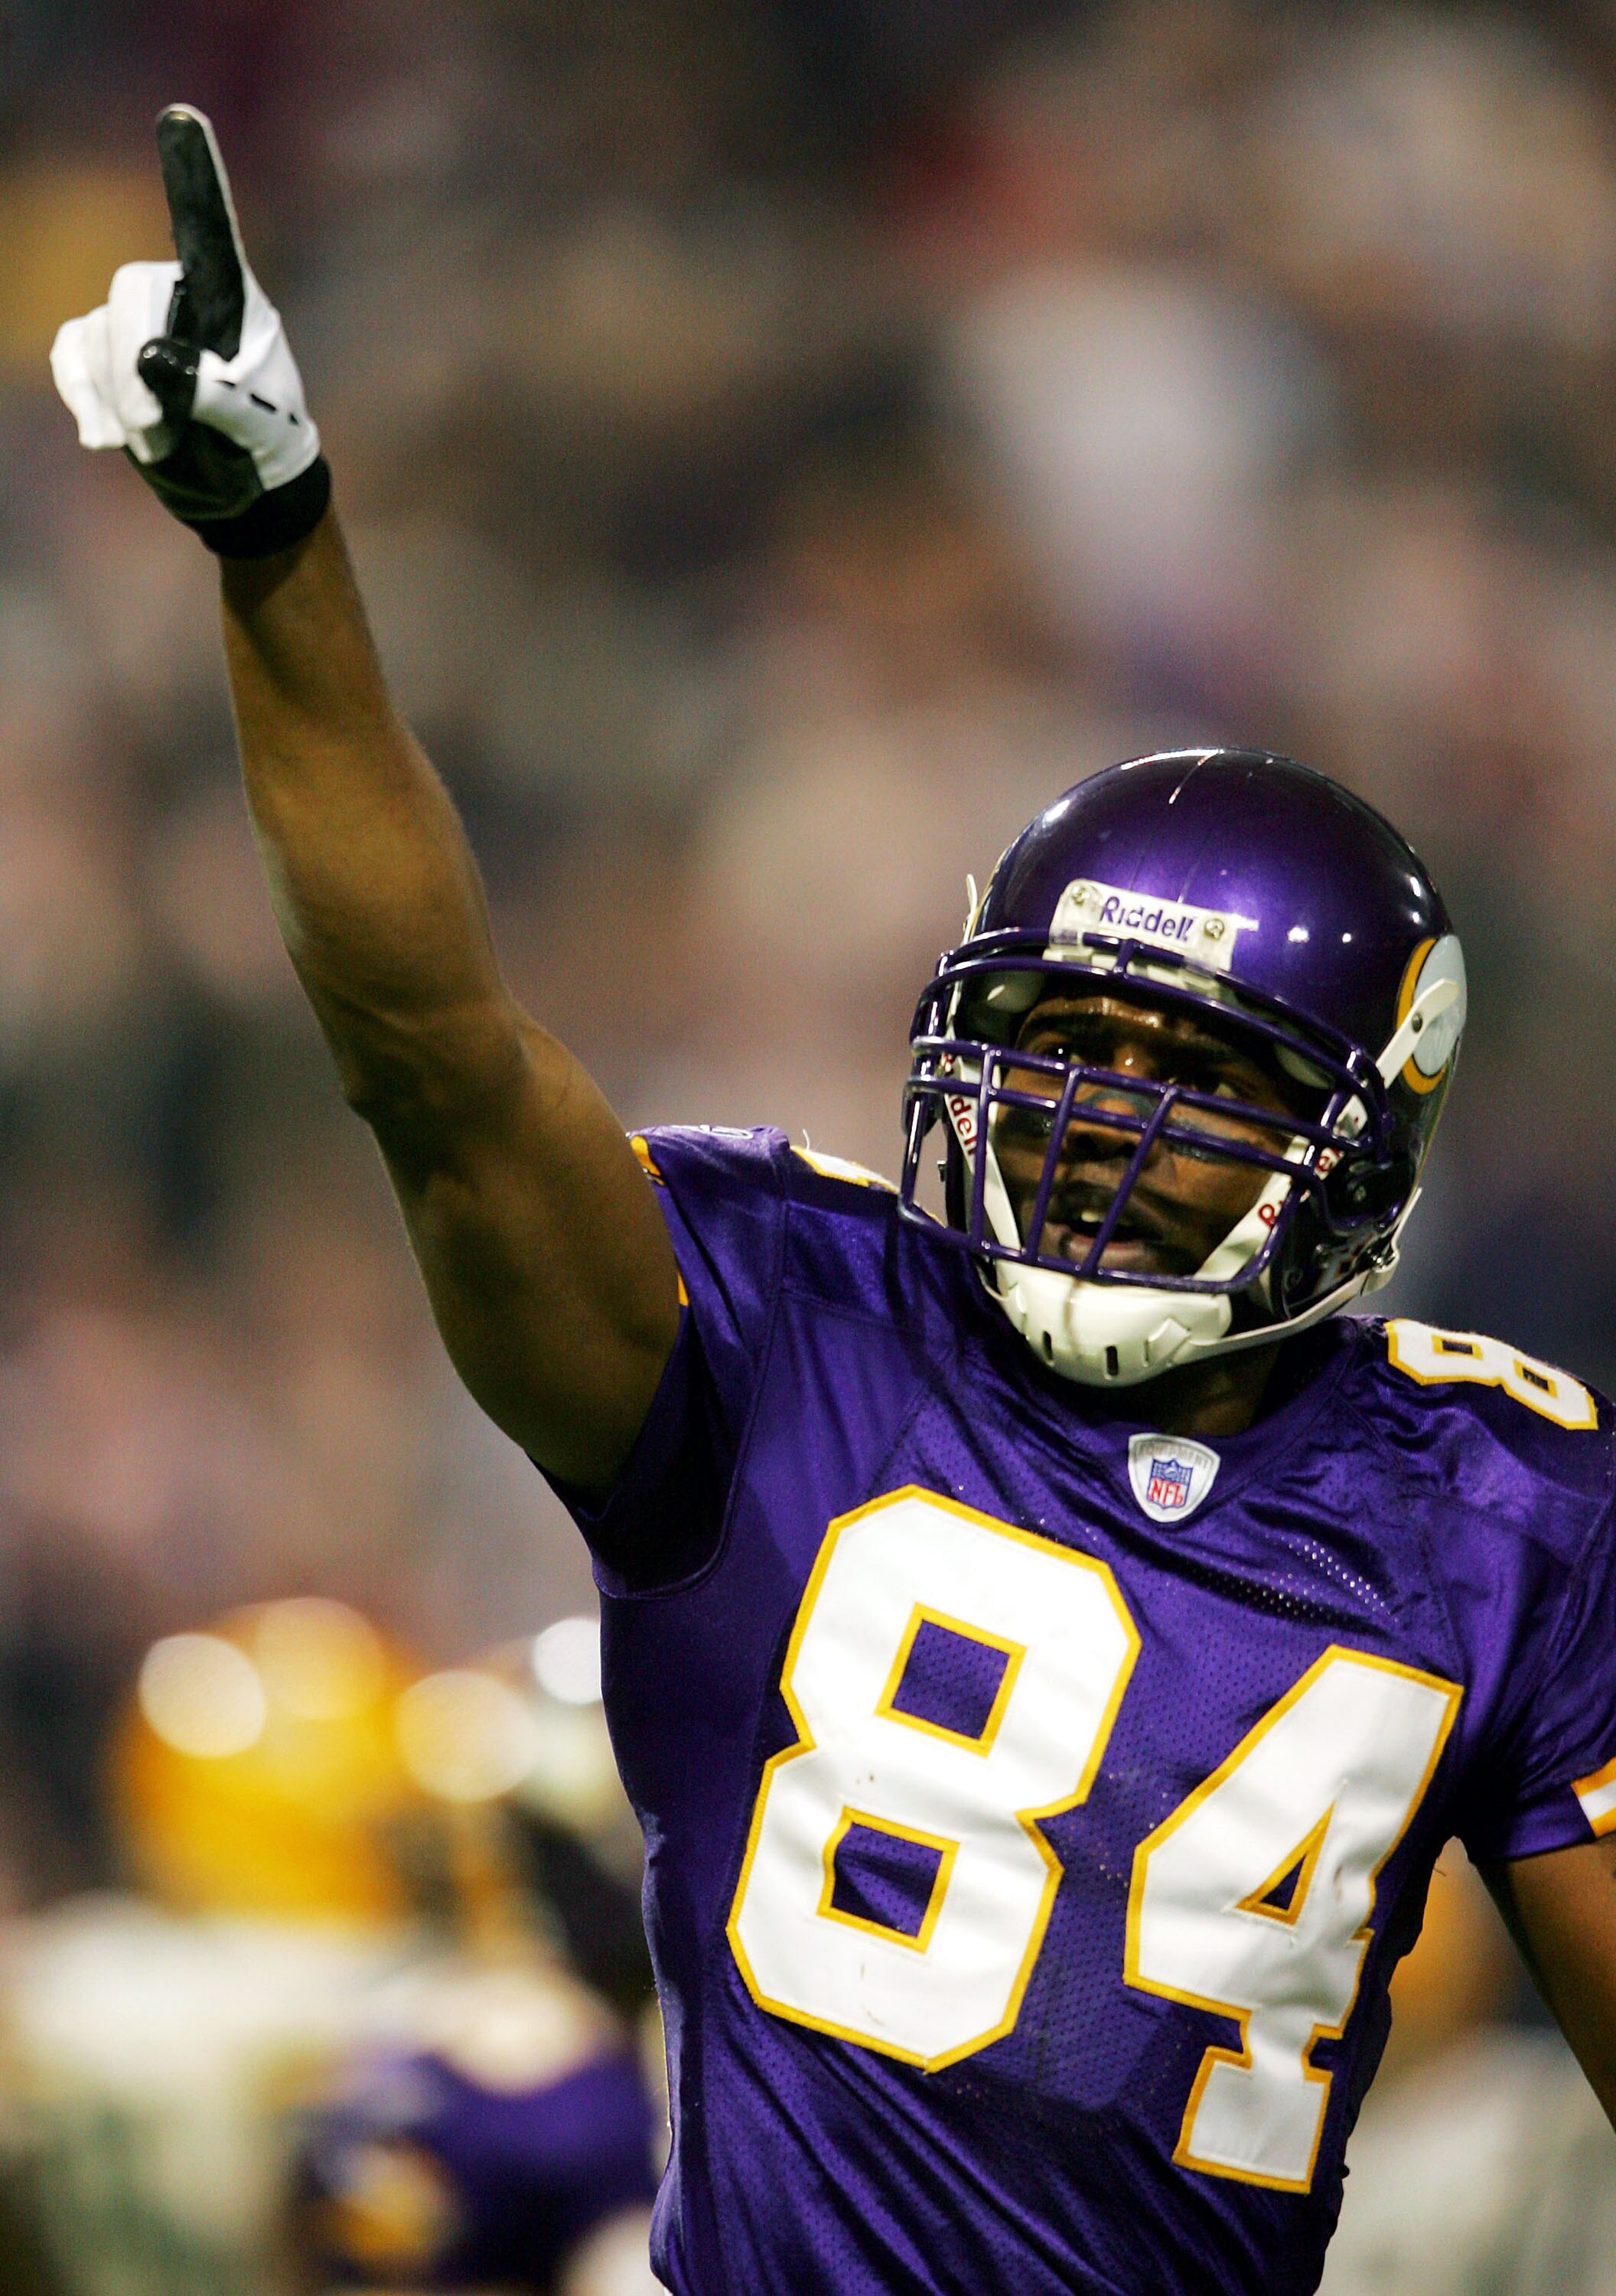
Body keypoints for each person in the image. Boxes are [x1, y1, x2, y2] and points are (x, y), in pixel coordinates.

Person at [50, 109, 1616, 2296]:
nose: (1092, 1117)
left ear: (1357, 1148)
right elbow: (431, 1058)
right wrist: (281, 548)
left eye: (1200, 1079)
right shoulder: (789, 1318)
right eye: (1060, 1042)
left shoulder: (1503, 1499)